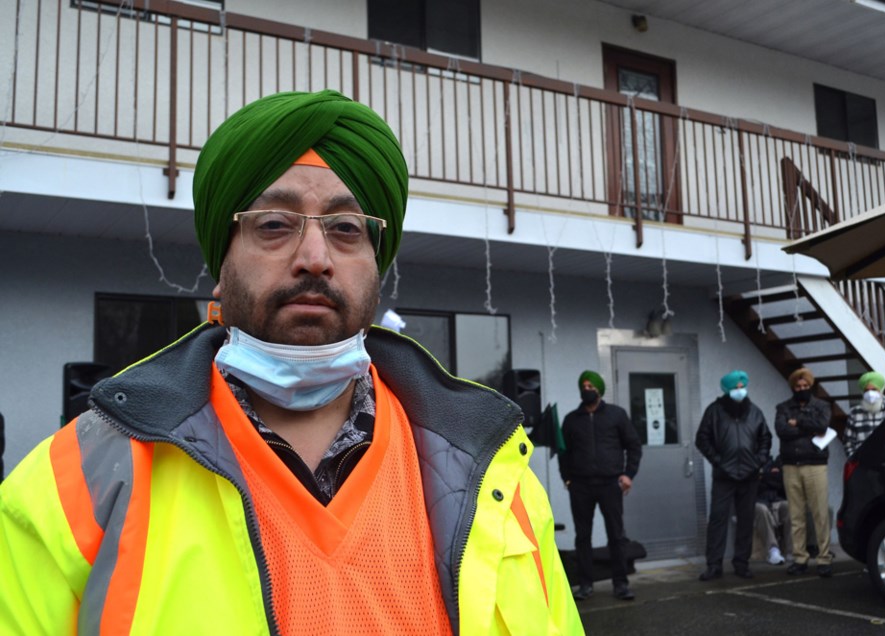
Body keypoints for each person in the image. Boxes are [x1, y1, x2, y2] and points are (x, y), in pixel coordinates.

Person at [0, 91, 583, 635]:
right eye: (274, 224)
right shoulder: (74, 484)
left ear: (377, 261)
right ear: (220, 260)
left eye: (346, 228)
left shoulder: (496, 477)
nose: (314, 257)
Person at [559, 370, 643, 602]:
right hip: (581, 486)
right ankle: (586, 585)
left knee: (616, 536)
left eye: (591, 386)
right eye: (583, 386)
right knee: (582, 536)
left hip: (610, 484)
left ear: (599, 389)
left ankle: (621, 584)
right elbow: (563, 452)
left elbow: (634, 446)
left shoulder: (616, 415)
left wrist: (628, 475)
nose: (587, 390)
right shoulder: (571, 419)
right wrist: (567, 479)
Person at [695, 370, 772, 581]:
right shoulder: (714, 411)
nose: (740, 391)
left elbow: (765, 438)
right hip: (724, 475)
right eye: (735, 388)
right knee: (718, 520)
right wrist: (718, 461)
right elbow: (702, 439)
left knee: (746, 520)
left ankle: (742, 563)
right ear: (727, 390)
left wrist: (759, 461)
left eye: (742, 387)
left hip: (749, 475)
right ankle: (714, 565)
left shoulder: (755, 412)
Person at [775, 367, 833, 578]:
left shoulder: (821, 405)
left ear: (811, 386)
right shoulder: (783, 408)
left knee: (820, 514)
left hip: (815, 465)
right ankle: (800, 558)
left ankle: (824, 558)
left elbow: (823, 426)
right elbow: (782, 430)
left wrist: (798, 422)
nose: (802, 389)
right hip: (791, 466)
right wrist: (809, 428)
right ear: (793, 387)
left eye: (806, 386)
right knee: (796, 515)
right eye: (798, 386)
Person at [842, 371, 885, 458]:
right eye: (866, 390)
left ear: (881, 390)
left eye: (874, 390)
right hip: (863, 463)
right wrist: (854, 459)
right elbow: (848, 441)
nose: (870, 393)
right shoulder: (855, 412)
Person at [753, 456, 792, 565]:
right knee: (762, 510)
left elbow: (780, 483)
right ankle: (773, 550)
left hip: (776, 499)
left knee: (789, 507)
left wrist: (763, 477)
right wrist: (769, 476)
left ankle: (791, 551)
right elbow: (752, 487)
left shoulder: (773, 463)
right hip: (757, 501)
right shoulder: (747, 462)